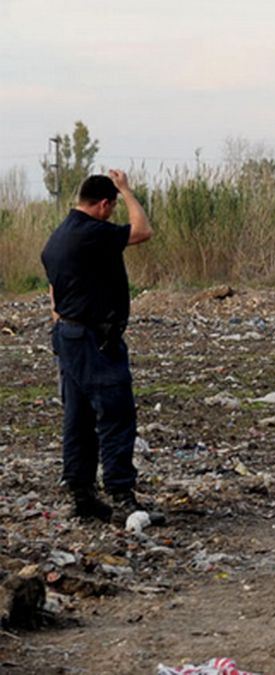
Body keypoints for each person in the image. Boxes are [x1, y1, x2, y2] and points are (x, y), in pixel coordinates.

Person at [41, 171, 154, 522]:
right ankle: (121, 495)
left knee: (78, 417)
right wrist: (126, 190)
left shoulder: (58, 237)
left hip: (69, 335)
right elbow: (142, 231)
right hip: (94, 339)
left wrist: (63, 324)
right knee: (116, 413)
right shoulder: (91, 232)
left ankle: (83, 496)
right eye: (113, 205)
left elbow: (53, 293)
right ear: (104, 205)